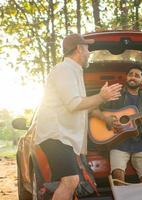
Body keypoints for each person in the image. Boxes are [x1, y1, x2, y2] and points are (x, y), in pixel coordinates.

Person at [35, 33, 122, 200]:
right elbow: (74, 104)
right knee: (70, 181)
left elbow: (83, 106)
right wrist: (101, 97)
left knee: (71, 181)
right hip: (57, 136)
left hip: (63, 138)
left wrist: (104, 118)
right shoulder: (64, 70)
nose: (89, 52)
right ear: (78, 49)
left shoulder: (73, 70)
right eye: (87, 48)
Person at [91, 66, 142, 184]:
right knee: (118, 178)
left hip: (141, 144)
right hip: (118, 143)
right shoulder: (115, 94)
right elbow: (92, 109)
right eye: (130, 74)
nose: (133, 77)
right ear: (127, 77)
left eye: (137, 75)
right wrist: (106, 119)